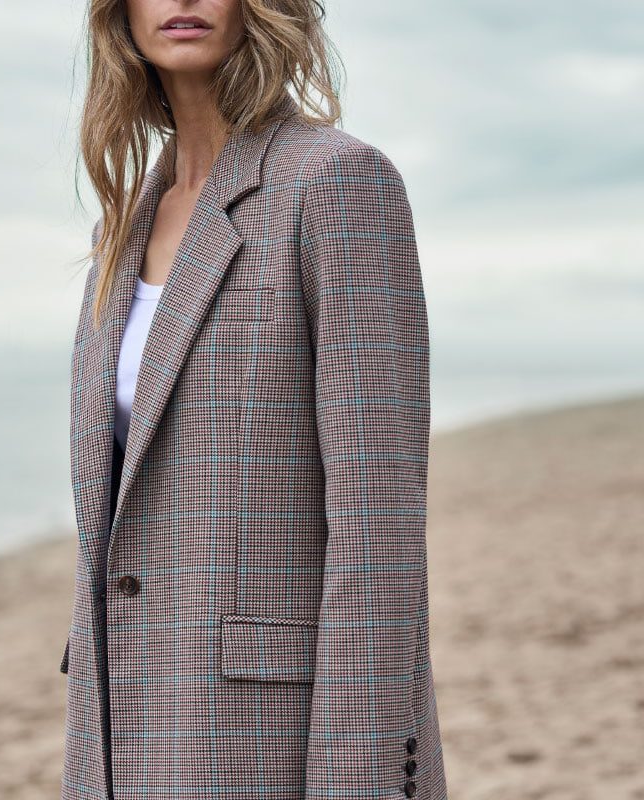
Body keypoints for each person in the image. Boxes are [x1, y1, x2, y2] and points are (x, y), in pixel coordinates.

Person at [60, 2, 448, 799]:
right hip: (122, 722)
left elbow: (378, 523)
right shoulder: (125, 225)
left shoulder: (336, 181)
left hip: (272, 738)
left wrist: (362, 780)